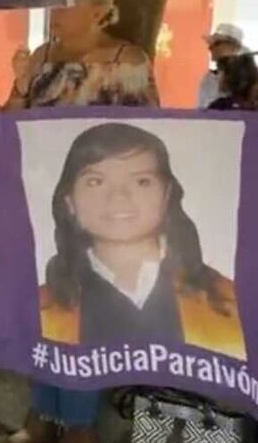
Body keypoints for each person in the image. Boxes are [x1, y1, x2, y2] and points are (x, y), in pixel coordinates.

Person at [4, 0, 158, 443]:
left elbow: (151, 134)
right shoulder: (43, 58)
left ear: (97, 10)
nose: (54, 13)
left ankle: (76, 423)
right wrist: (19, 81)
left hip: (99, 210)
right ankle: (42, 412)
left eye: (64, 3)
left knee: (84, 317)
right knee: (46, 310)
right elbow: (11, 123)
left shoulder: (125, 59)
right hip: (40, 201)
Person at [39, 122, 242, 359]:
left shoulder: (230, 302)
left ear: (167, 194)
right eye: (96, 181)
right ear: (69, 201)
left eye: (141, 181)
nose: (119, 196)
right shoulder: (38, 313)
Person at [198, 24, 246, 108]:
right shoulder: (209, 78)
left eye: (216, 43)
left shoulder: (249, 76)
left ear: (233, 47)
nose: (210, 48)